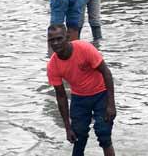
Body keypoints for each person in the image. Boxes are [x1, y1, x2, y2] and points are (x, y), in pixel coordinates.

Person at [46, 24, 117, 156]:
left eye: (59, 39)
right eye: (51, 40)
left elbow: (106, 72)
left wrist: (111, 104)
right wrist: (67, 127)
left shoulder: (84, 48)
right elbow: (61, 97)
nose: (55, 43)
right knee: (77, 136)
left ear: (67, 37)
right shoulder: (52, 66)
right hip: (79, 98)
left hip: (101, 94)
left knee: (104, 134)